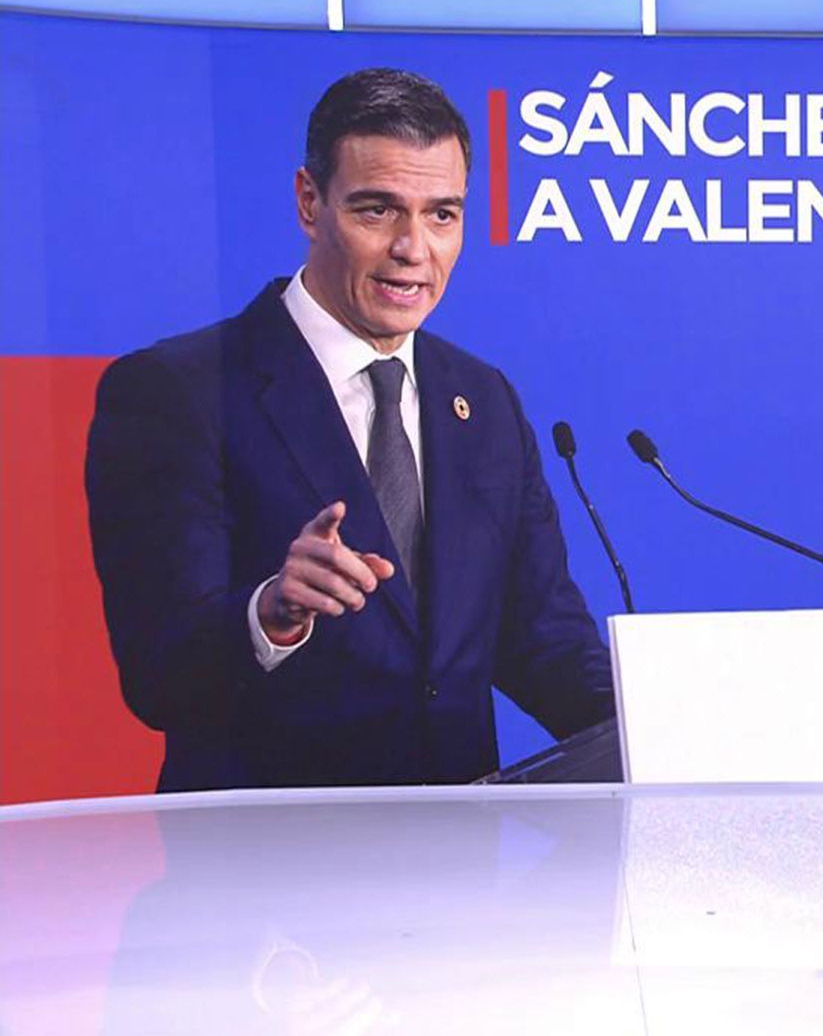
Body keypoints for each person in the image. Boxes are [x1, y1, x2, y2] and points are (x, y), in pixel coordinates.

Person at [84, 68, 614, 793]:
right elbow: (159, 673)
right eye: (377, 210)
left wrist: (661, 738)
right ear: (310, 202)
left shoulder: (482, 399)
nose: (413, 248)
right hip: (263, 852)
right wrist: (270, 613)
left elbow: (542, 637)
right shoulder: (178, 390)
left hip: (456, 850)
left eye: (442, 215)